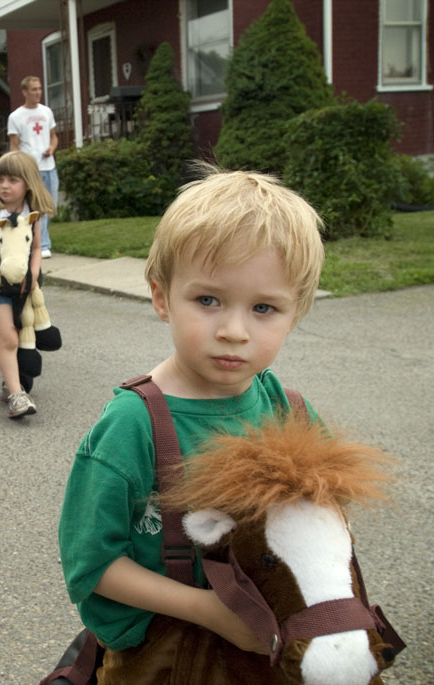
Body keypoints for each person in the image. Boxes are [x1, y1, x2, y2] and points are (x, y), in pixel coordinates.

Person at [58, 167, 326, 683]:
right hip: (162, 656)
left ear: (296, 313)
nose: (233, 331)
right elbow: (91, 562)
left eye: (264, 308)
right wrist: (210, 611)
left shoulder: (288, 411)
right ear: (162, 297)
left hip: (262, 647)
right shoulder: (132, 425)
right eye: (208, 300)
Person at [0, 151, 55, 418]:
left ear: (28, 183)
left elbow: (38, 248)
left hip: (24, 284)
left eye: (12, 180)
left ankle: (13, 381)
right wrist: (5, 254)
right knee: (8, 337)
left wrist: (32, 275)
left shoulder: (33, 213)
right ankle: (18, 397)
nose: (4, 185)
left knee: (21, 332)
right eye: (0, 179)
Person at [8, 76, 58, 259]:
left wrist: (51, 148)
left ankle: (32, 238)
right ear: (25, 92)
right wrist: (18, 164)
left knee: (51, 205)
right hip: (31, 169)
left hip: (49, 166)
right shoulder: (16, 116)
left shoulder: (46, 112)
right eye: (34, 89)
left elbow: (53, 136)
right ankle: (43, 244)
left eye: (39, 89)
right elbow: (14, 144)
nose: (38, 93)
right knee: (38, 206)